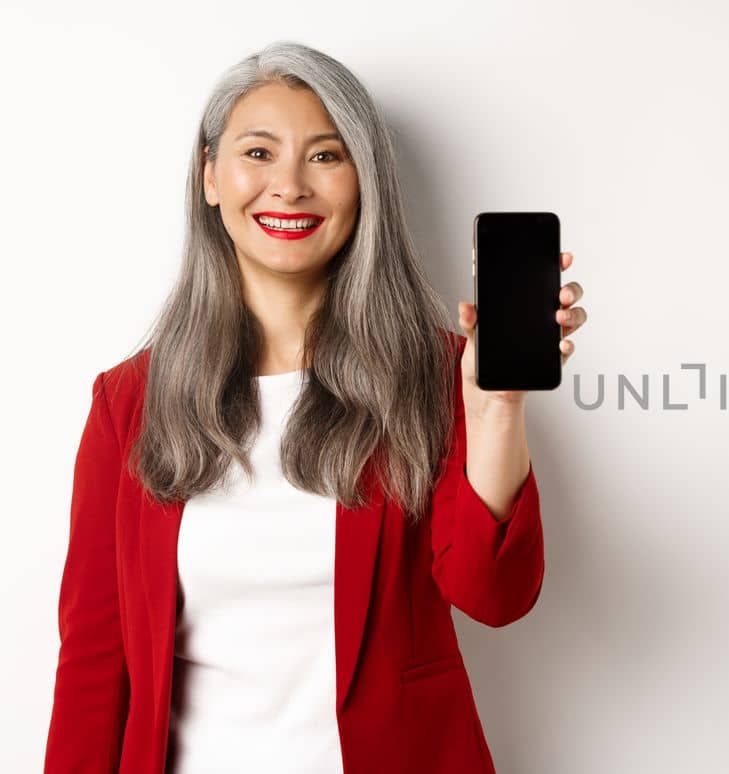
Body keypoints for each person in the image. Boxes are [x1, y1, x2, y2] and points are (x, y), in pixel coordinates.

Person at [43, 40, 588, 773]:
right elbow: (94, 663)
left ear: (365, 182)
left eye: (326, 157)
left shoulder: (437, 374)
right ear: (210, 176)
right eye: (258, 153)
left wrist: (494, 411)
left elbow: (494, 595)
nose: (290, 186)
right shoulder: (128, 402)